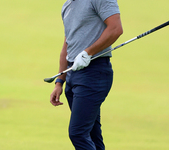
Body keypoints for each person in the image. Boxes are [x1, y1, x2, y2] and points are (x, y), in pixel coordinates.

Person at [50, 0, 123, 149]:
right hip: (72, 75)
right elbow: (67, 45)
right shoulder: (68, 5)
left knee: (78, 133)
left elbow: (116, 29)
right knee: (92, 135)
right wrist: (59, 81)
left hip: (94, 73)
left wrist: (88, 52)